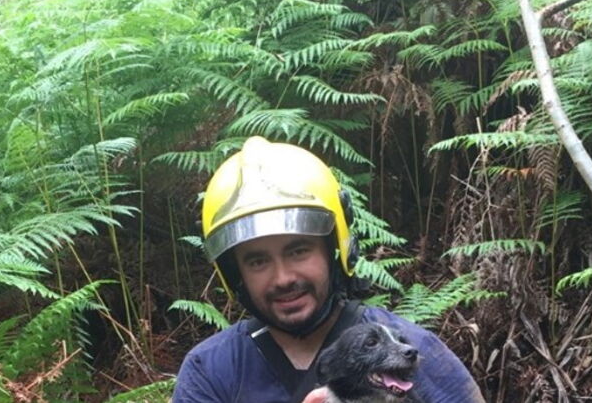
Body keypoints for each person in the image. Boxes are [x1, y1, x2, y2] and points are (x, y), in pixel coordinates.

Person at [172, 136, 484, 403]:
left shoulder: (415, 350)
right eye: (258, 261)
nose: (283, 278)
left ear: (332, 249)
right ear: (235, 271)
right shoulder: (211, 371)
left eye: (298, 250)